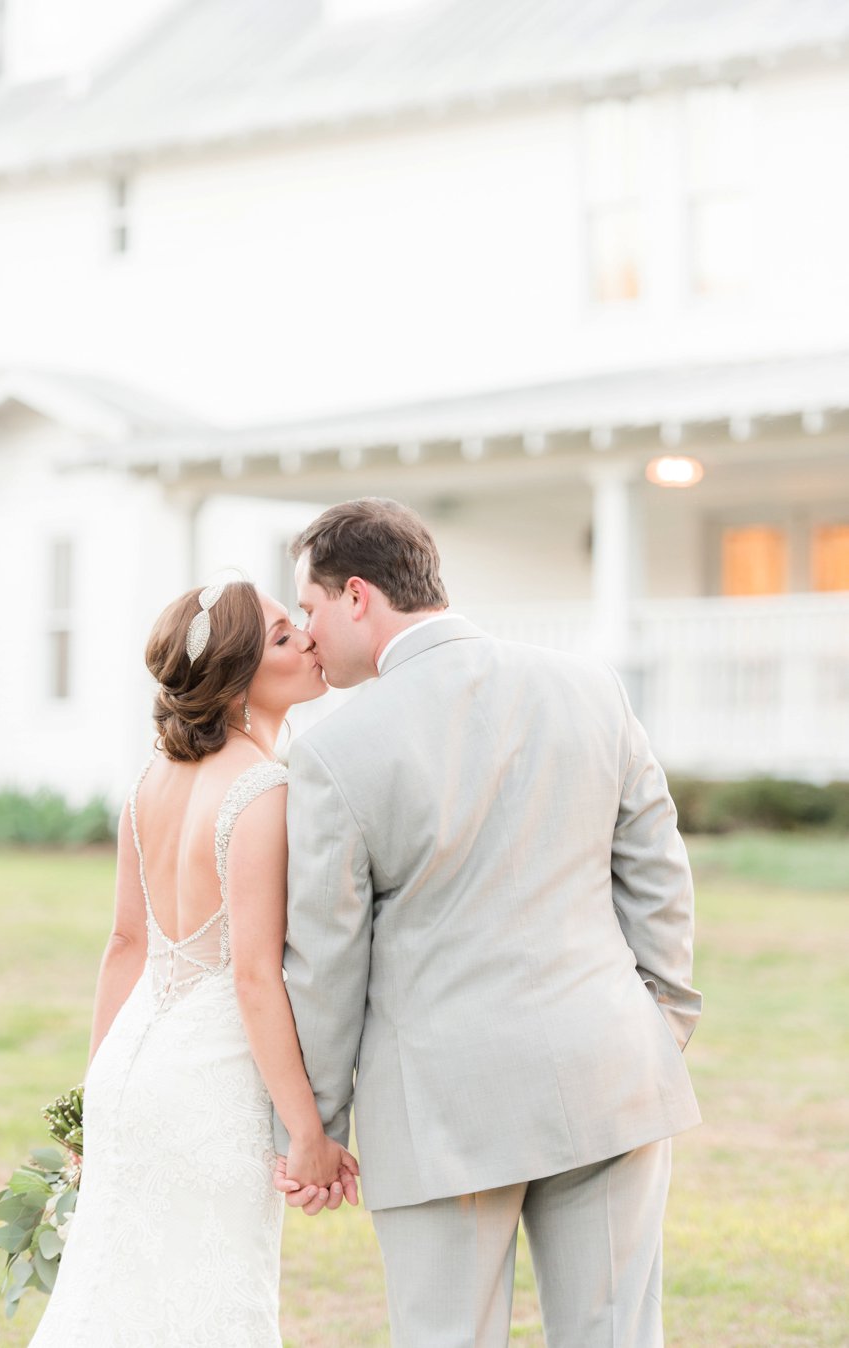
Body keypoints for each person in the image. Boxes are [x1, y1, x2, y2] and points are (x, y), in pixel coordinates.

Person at [274, 498, 702, 1348]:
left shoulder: (334, 749)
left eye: (310, 608)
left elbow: (325, 962)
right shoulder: (589, 687)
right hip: (608, 1064)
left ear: (357, 595)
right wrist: (662, 1015)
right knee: (616, 1334)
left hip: (443, 1109)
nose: (306, 632)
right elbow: (658, 868)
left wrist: (316, 1124)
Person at [29, 577, 358, 1348]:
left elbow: (125, 945)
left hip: (128, 1074)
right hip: (211, 1087)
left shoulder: (149, 781)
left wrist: (92, 1100)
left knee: (120, 1295)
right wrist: (306, 1131)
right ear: (237, 675)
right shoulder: (263, 789)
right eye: (283, 637)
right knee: (214, 1302)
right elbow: (252, 976)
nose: (308, 639)